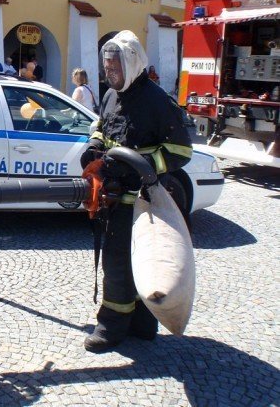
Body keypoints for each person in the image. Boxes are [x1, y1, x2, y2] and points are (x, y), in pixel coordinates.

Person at [80, 30, 193, 353]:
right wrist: (94, 145)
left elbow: (180, 152)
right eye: (107, 68)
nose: (109, 74)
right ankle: (123, 323)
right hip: (114, 199)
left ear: (131, 64)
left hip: (146, 202)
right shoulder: (111, 95)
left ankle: (124, 326)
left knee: (144, 263)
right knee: (117, 262)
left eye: (114, 68)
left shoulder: (159, 102)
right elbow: (101, 126)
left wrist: (140, 165)